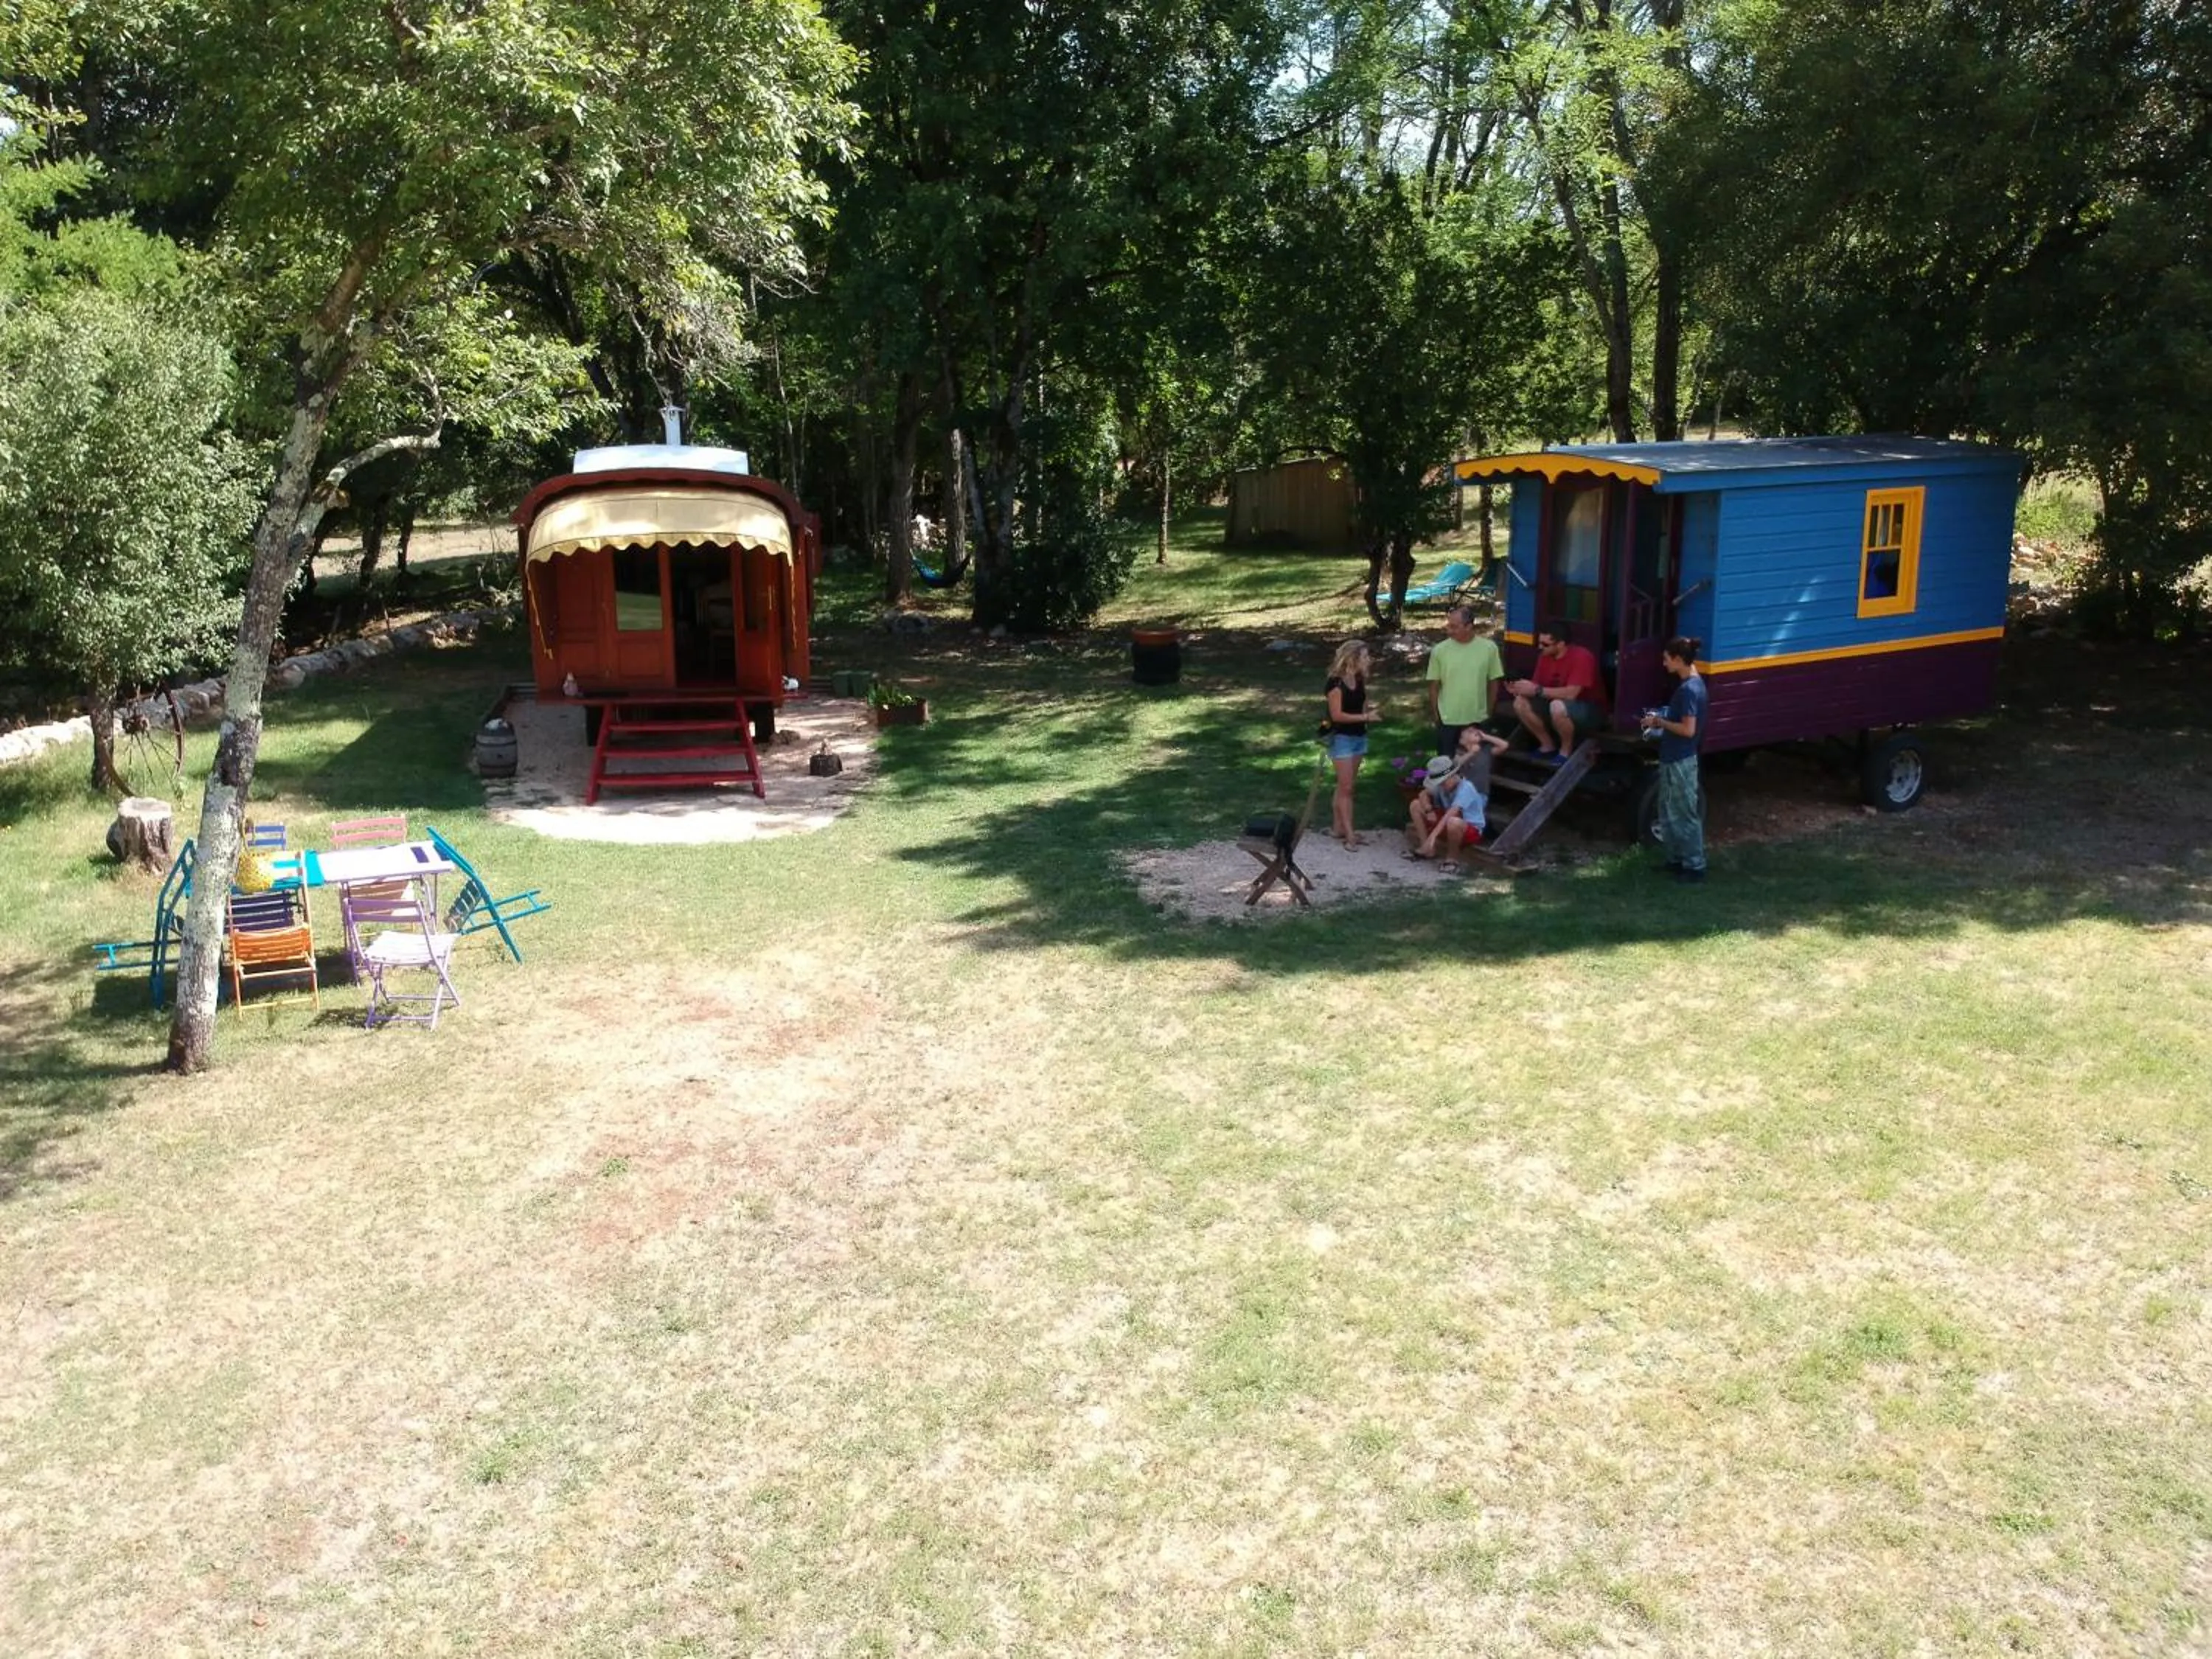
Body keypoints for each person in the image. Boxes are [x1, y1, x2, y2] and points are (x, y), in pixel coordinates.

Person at [1640, 635, 1708, 883]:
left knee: (1684, 814)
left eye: (1667, 659)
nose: (1664, 664)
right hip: (1672, 758)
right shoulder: (1689, 685)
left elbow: (1689, 730)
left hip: (1682, 761)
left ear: (1679, 659)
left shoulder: (1689, 690)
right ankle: (1676, 861)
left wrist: (1660, 722)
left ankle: (1695, 867)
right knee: (1667, 811)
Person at [1408, 723, 1509, 874]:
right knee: (1416, 804)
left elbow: (1452, 813)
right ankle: (1427, 848)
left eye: (1443, 782)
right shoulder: (1458, 757)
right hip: (1453, 815)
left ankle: (1452, 859)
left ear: (1451, 776)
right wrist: (1429, 810)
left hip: (1467, 821)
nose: (1441, 785)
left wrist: (1433, 836)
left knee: (1453, 820)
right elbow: (1423, 794)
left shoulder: (1466, 784)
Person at [1505, 622, 1610, 761]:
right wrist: (1519, 689)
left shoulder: (1582, 657)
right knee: (1520, 703)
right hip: (1554, 704)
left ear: (1560, 644)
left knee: (1557, 706)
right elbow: (1536, 686)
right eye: (1539, 643)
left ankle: (1565, 751)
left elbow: (1571, 694)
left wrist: (1537, 690)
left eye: (1545, 644)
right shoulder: (1544, 657)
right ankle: (1547, 745)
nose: (1540, 647)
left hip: (1589, 709)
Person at [1423, 604, 1504, 759]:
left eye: (1454, 627)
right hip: (1448, 718)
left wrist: (1489, 710)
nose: (1449, 630)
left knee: (1477, 763)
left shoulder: (1489, 649)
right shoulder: (1439, 651)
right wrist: (1436, 714)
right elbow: (1434, 686)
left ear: (1469, 626)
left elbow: (1494, 683)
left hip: (1477, 717)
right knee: (1446, 765)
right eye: (1448, 625)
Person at [1324, 639, 1382, 848]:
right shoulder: (1335, 684)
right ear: (1353, 658)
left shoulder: (1358, 679)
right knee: (1346, 787)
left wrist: (1367, 712)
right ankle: (1350, 835)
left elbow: (1362, 705)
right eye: (1365, 656)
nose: (1368, 660)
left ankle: (1338, 827)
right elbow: (1337, 716)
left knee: (1346, 786)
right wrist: (1366, 718)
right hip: (1341, 739)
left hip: (1358, 737)